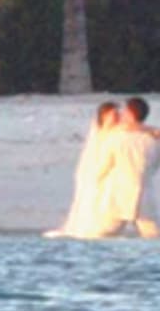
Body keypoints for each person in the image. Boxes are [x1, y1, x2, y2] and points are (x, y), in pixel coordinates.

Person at [94, 96, 160, 238]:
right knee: (154, 236)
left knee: (104, 235)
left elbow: (104, 168)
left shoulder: (116, 138)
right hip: (145, 196)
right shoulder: (155, 141)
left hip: (119, 196)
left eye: (125, 111)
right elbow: (154, 166)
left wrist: (97, 185)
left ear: (130, 113)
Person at [43, 101, 122, 238]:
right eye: (112, 114)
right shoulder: (99, 133)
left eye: (116, 114)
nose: (116, 117)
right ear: (103, 116)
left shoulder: (119, 132)